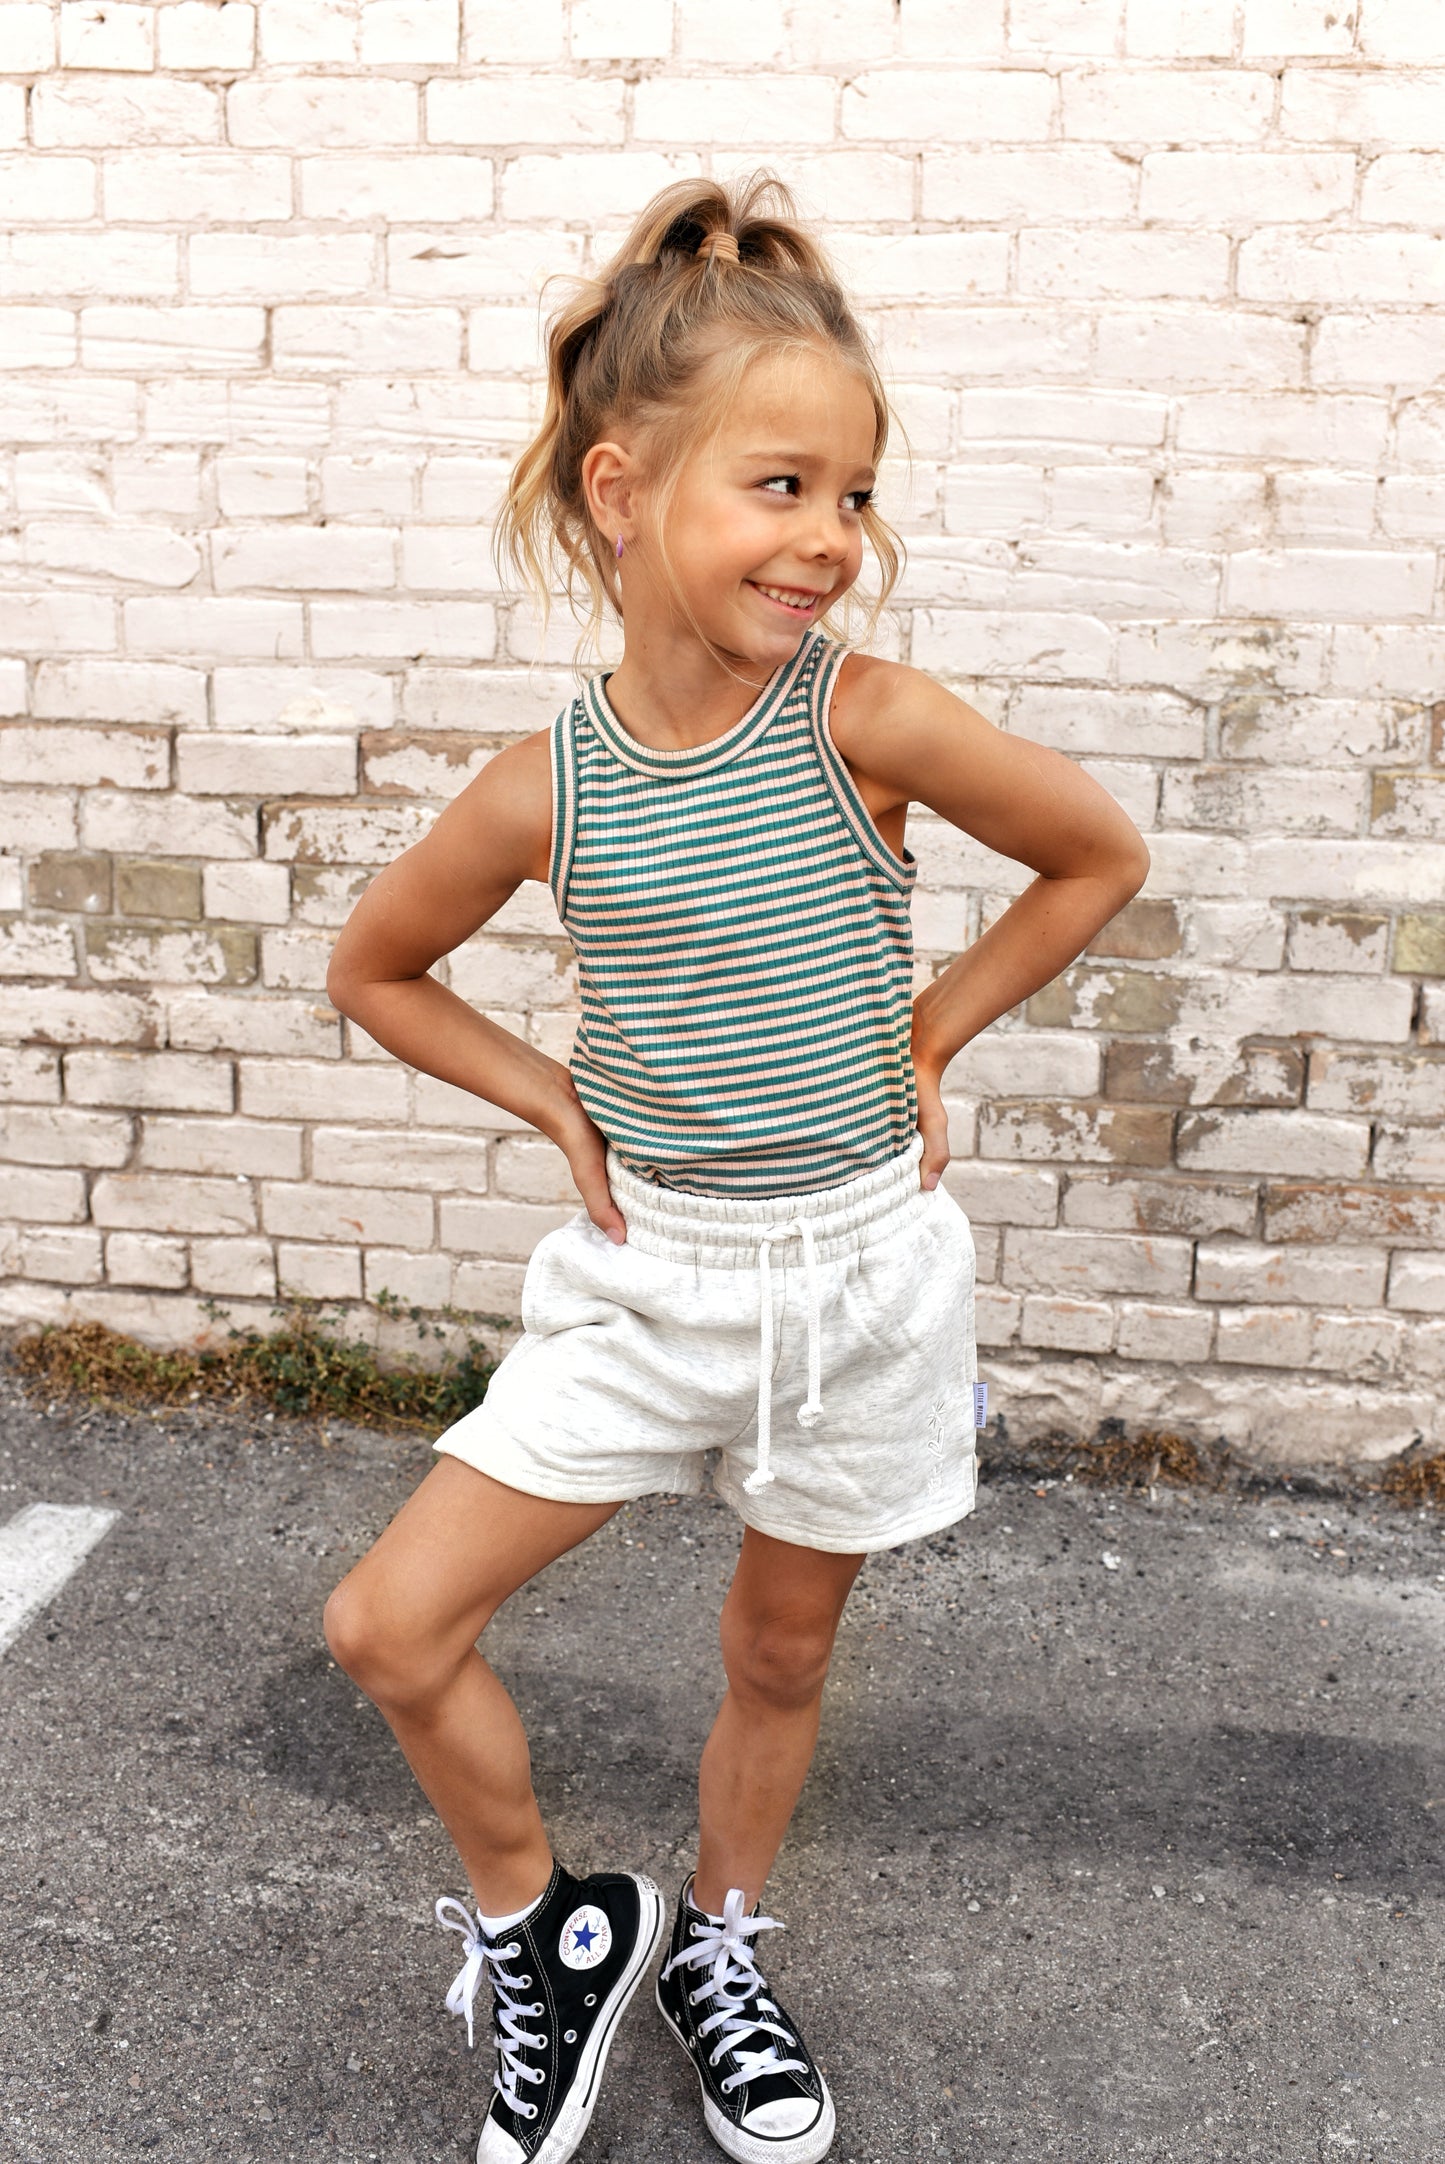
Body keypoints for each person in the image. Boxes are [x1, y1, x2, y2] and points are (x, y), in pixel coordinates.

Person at [322, 171, 1149, 2164]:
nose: (832, 542)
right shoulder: (548, 783)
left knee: (782, 1645)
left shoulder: (864, 724)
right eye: (781, 487)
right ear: (623, 494)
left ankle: (725, 1933)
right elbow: (376, 965)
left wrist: (927, 1029)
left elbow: (1097, 855)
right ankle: (551, 1932)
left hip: (861, 1272)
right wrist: (548, 1096)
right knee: (388, 1623)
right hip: (650, 1277)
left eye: (854, 495)